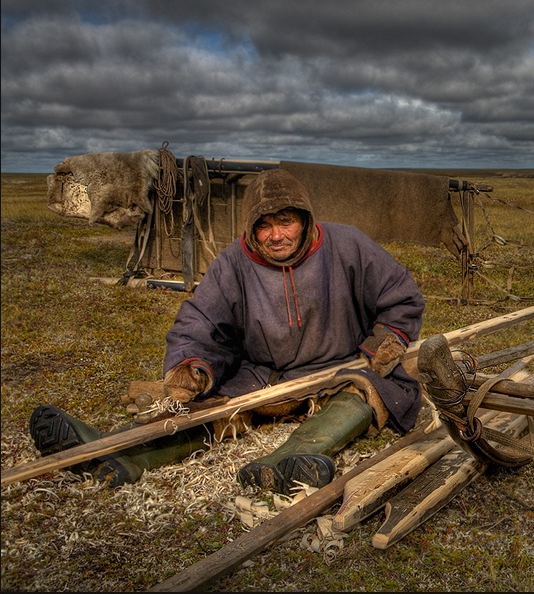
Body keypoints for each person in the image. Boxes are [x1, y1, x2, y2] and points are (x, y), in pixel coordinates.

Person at [29, 168, 426, 495]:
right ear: (251, 229)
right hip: (263, 372)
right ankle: (118, 453)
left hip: (337, 366)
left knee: (366, 390)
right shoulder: (233, 262)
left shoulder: (348, 245)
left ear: (305, 220)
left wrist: (386, 340)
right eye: (264, 226)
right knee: (210, 410)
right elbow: (201, 321)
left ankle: (285, 463)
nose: (276, 235)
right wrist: (191, 367)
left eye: (286, 222)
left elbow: (401, 295)